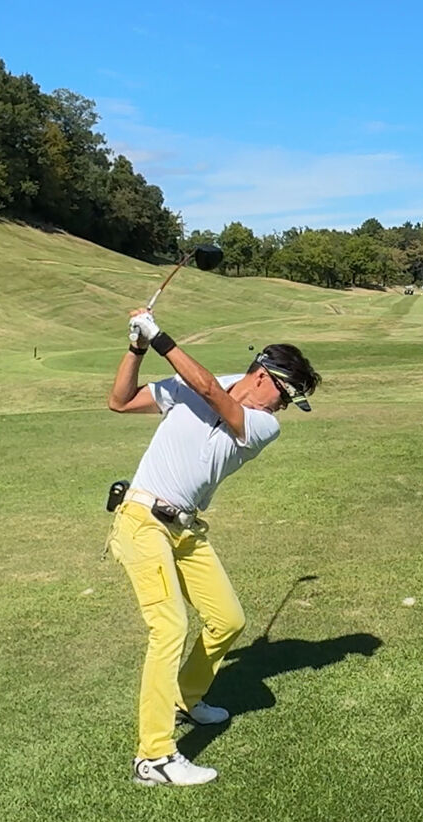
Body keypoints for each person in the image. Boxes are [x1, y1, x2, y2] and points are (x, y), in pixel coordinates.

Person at [106, 305, 321, 788]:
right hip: (141, 520)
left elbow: (210, 392)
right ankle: (154, 757)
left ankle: (185, 697)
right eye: (285, 396)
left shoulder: (262, 424)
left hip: (184, 528)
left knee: (228, 620)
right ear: (264, 377)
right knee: (169, 627)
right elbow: (120, 402)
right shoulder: (192, 384)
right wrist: (137, 347)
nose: (283, 408)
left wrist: (160, 337)